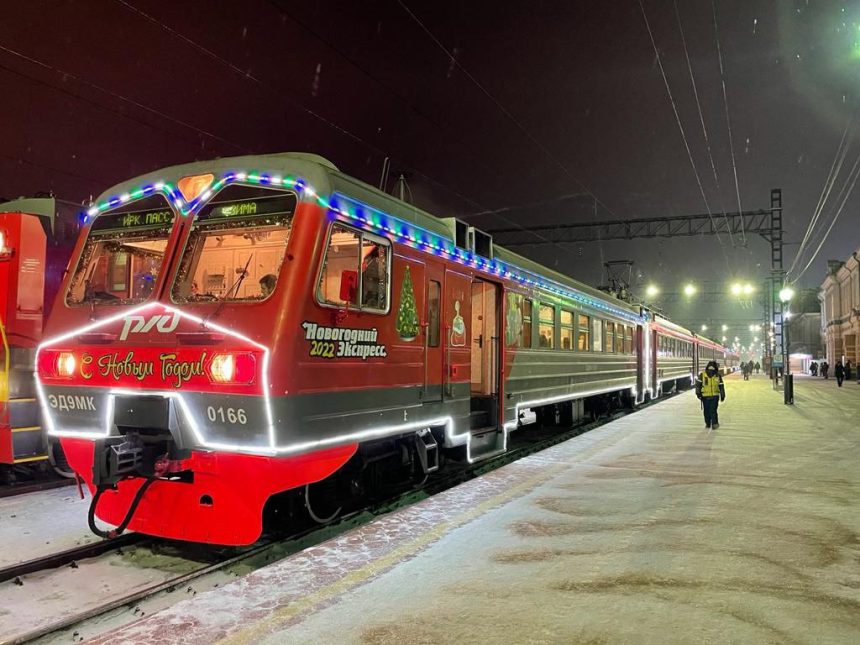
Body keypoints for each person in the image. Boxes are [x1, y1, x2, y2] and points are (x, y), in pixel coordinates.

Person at [696, 360, 726, 430]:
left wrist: (698, 394)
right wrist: (722, 395)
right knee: (713, 410)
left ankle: (708, 424)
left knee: (706, 410)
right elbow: (721, 386)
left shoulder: (702, 374)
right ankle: (715, 424)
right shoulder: (718, 375)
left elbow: (698, 385)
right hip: (715, 396)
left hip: (705, 396)